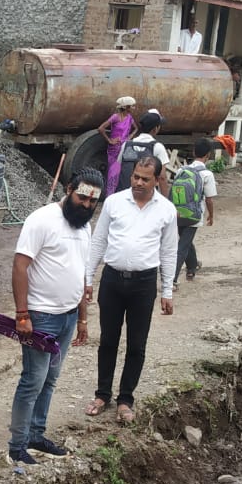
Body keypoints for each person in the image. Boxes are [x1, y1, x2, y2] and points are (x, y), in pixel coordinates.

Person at [5, 167, 105, 465]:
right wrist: (22, 314)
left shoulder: (84, 226)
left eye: (93, 202)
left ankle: (36, 434)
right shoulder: (42, 220)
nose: (87, 205)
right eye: (83, 197)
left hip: (68, 316)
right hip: (41, 317)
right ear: (69, 189)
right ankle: (17, 446)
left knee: (50, 379)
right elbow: (20, 266)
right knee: (33, 379)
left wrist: (83, 318)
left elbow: (81, 273)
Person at [84, 156, 177, 424]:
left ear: (157, 180)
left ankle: (126, 399)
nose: (137, 182)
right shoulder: (115, 202)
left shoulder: (166, 210)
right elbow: (98, 241)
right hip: (112, 280)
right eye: (135, 176)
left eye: (144, 179)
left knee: (137, 344)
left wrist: (167, 291)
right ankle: (102, 395)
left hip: (144, 284)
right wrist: (88, 278)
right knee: (108, 340)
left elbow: (169, 252)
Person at [172, 138, 218, 288]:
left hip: (178, 213)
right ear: (208, 155)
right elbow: (209, 200)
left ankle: (192, 268)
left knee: (186, 241)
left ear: (193, 152)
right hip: (194, 215)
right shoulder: (207, 175)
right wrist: (211, 215)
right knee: (183, 245)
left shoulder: (181, 170)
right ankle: (172, 280)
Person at [116, 110, 171, 194]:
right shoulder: (157, 147)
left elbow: (118, 168)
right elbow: (162, 177)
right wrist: (165, 200)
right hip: (145, 196)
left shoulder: (126, 144)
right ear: (155, 129)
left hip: (125, 194)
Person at [98, 96, 138, 196]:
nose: (134, 108)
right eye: (132, 106)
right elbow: (101, 128)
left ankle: (116, 195)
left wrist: (129, 137)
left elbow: (136, 128)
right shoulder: (115, 117)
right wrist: (110, 140)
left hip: (124, 147)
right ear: (126, 107)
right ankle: (109, 196)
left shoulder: (130, 118)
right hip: (114, 149)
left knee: (121, 172)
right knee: (113, 172)